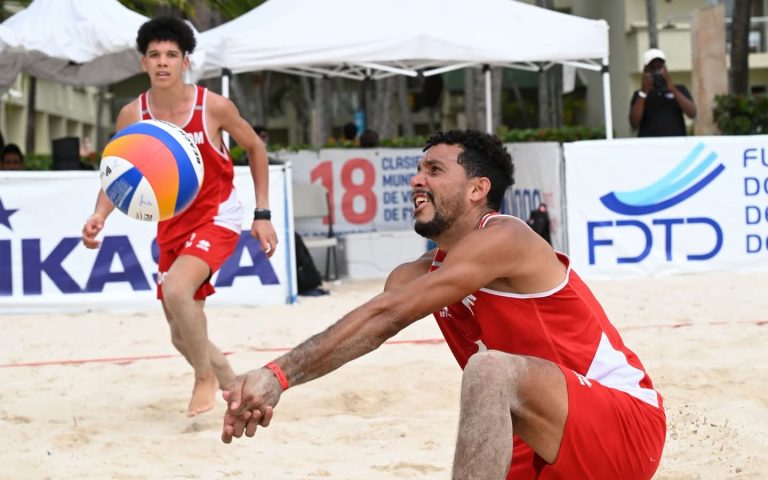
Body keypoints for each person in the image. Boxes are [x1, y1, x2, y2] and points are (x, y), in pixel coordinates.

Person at [220, 130, 666, 479]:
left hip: (623, 424)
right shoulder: (415, 274)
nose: (417, 179)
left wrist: (277, 374)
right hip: (537, 438)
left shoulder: (507, 237)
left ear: (477, 189)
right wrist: (277, 379)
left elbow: (389, 313)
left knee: (489, 370)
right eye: (418, 170)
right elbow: (371, 327)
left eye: (434, 170)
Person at [81, 16, 278, 417]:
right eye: (154, 55)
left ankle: (203, 378)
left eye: (171, 54)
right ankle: (241, 396)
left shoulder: (213, 106)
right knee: (179, 334)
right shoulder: (132, 115)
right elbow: (117, 172)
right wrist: (100, 214)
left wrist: (262, 213)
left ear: (185, 61)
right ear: (143, 63)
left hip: (217, 215)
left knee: (176, 291)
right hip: (171, 225)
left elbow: (256, 148)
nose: (163, 62)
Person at [629, 48, 697, 137]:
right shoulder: (639, 95)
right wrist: (644, 92)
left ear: (665, 69)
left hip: (675, 145)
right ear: (646, 71)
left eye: (660, 67)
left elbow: (692, 113)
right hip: (650, 147)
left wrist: (672, 88)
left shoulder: (679, 89)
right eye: (653, 68)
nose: (657, 72)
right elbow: (634, 123)